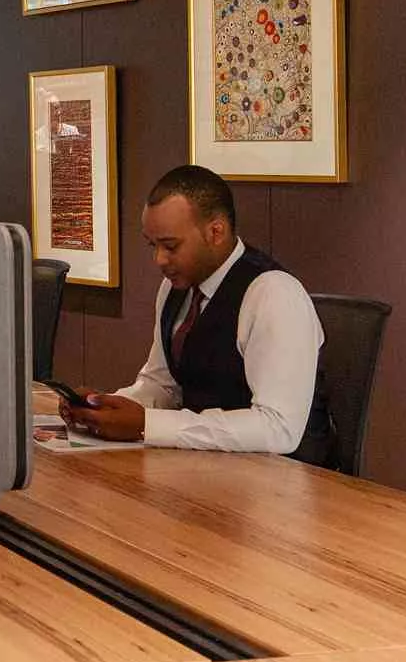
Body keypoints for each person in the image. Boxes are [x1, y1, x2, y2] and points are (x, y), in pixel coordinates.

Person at [58, 164, 334, 463]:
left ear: (216, 232)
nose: (159, 260)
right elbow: (163, 385)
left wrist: (146, 425)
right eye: (153, 245)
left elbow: (278, 428)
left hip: (292, 482)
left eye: (171, 246)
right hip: (208, 470)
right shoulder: (175, 289)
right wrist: (105, 407)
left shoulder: (273, 293)